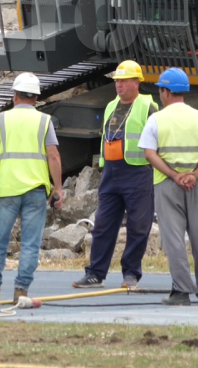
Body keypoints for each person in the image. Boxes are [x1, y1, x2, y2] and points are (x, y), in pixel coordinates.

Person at [141, 67, 198, 306]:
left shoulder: (156, 119)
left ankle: (180, 292)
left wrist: (174, 175)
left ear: (165, 92)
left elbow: (149, 153)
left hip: (167, 185)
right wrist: (195, 174)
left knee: (174, 238)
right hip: (197, 186)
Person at [0, 73, 64, 304]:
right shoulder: (45, 121)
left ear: (15, 95)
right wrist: (58, 188)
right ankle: (21, 291)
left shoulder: (1, 120)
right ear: (36, 97)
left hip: (7, 190)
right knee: (30, 243)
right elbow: (53, 155)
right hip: (36, 189)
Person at [73, 60, 158, 290]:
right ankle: (95, 274)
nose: (118, 85)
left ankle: (131, 274)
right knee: (103, 224)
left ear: (136, 82)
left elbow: (157, 140)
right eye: (117, 81)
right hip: (111, 171)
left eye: (123, 81)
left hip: (137, 171)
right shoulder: (111, 106)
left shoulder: (147, 106)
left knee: (138, 225)